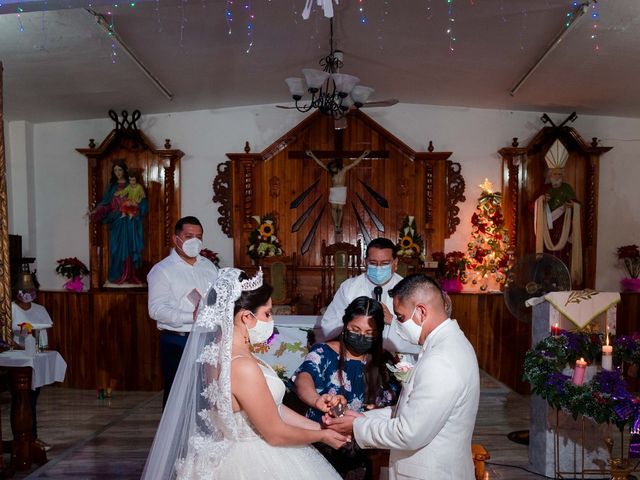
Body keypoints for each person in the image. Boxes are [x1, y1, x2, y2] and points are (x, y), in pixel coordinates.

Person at [142, 268, 347, 480]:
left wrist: (323, 427)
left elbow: (272, 407)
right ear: (246, 317)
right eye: (267, 313)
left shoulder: (218, 353)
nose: (271, 320)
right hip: (254, 460)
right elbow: (275, 434)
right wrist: (322, 436)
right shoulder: (241, 365)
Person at [324, 274, 480, 480]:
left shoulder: (441, 360)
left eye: (400, 317)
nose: (397, 324)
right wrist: (363, 417)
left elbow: (410, 433)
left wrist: (356, 427)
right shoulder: (449, 344)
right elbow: (415, 409)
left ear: (421, 311)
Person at [292, 296, 399, 479]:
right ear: (345, 325)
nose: (361, 337)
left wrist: (377, 409)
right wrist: (316, 399)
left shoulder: (384, 360)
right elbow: (304, 378)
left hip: (360, 450)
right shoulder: (323, 352)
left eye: (369, 333)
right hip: (321, 443)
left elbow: (396, 397)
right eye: (355, 330)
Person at [147, 216, 219, 407]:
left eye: (198, 236)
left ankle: (203, 435)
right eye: (189, 236)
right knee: (178, 398)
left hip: (208, 338)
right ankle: (176, 438)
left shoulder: (208, 266)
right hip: (179, 339)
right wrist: (191, 316)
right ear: (176, 239)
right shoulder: (162, 270)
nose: (194, 241)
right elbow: (156, 310)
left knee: (207, 394)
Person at [318, 237, 420, 360]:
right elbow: (328, 326)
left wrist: (392, 321)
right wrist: (354, 319)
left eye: (385, 263)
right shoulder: (350, 287)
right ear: (365, 262)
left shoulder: (409, 290)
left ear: (395, 263)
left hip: (397, 357)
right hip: (356, 354)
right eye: (373, 263)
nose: (378, 268)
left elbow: (419, 334)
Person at [10, 280, 54, 451]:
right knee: (20, 400)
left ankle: (31, 438)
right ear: (17, 291)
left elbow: (44, 332)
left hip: (36, 358)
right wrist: (21, 346)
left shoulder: (40, 310)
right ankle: (21, 439)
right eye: (25, 289)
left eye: (31, 289)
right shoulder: (11, 309)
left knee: (32, 399)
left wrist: (41, 349)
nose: (28, 292)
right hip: (17, 359)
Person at [90, 161, 148, 286]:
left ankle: (130, 275)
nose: (118, 173)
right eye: (115, 170)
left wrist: (135, 207)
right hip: (117, 220)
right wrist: (96, 211)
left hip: (129, 221)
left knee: (130, 247)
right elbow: (105, 204)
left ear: (124, 171)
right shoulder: (112, 187)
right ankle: (117, 275)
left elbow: (142, 201)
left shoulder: (132, 185)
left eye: (120, 170)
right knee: (116, 248)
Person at [533, 138, 582, 285]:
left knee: (562, 254)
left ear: (563, 174)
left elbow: (578, 204)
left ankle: (562, 280)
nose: (557, 177)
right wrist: (541, 200)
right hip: (547, 230)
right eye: (554, 174)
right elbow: (530, 207)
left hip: (563, 227)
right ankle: (546, 281)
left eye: (559, 174)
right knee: (547, 256)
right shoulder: (544, 189)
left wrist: (572, 206)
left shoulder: (567, 188)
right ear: (550, 175)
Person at [306, 149, 369, 236]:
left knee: (340, 209)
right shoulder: (331, 172)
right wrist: (312, 155)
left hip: (342, 190)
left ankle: (338, 224)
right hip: (334, 191)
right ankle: (336, 224)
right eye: (331, 168)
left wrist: (363, 155)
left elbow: (354, 163)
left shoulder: (344, 170)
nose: (332, 169)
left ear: (336, 166)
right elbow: (321, 164)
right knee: (333, 209)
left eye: (333, 167)